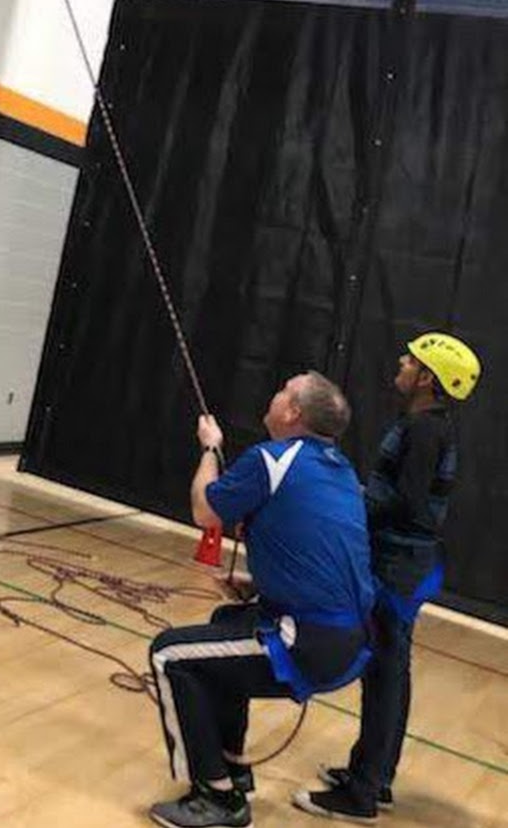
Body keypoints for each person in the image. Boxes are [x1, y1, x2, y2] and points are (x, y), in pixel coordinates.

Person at [149, 371, 375, 828]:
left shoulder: (272, 459)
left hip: (308, 641)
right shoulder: (340, 469)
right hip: (349, 640)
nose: (274, 394)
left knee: (169, 654)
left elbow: (204, 512)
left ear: (292, 412)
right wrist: (259, 586)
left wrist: (210, 448)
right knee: (225, 621)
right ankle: (232, 766)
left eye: (283, 391)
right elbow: (320, 555)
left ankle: (217, 800)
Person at [294, 333, 481, 824]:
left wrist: (350, 505)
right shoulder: (426, 425)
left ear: (427, 380)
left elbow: (407, 502)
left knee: (384, 672)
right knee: (390, 669)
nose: (401, 362)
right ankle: (376, 775)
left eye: (411, 361)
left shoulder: (424, 431)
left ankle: (362, 793)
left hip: (399, 565)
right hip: (405, 560)